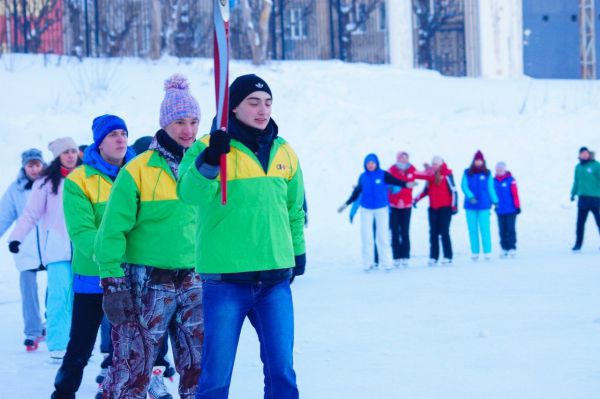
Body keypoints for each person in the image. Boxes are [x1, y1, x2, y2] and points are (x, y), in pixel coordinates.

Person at [177, 74, 305, 399]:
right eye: (253, 102)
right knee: (216, 377)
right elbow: (188, 193)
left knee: (282, 373)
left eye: (267, 102)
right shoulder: (209, 147)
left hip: (275, 279)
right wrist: (209, 161)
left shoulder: (284, 150)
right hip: (226, 281)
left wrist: (298, 251)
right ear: (233, 107)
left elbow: (294, 208)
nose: (263, 110)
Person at [95, 74, 203, 399]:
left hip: (194, 278)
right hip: (147, 281)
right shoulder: (138, 169)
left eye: (194, 121)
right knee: (134, 369)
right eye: (180, 121)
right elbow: (111, 231)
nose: (188, 130)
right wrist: (112, 280)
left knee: (200, 365)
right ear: (165, 124)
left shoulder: (204, 167)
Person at [51, 115, 136, 399]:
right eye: (113, 134)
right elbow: (82, 232)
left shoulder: (138, 173)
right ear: (99, 143)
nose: (121, 139)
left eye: (124, 133)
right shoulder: (79, 180)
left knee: (130, 343)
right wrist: (111, 258)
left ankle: (118, 390)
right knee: (81, 344)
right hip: (93, 275)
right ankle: (63, 392)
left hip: (134, 274)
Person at [9, 138, 80, 360]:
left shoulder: (87, 176)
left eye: (73, 151)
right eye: (65, 152)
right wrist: (16, 237)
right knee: (59, 296)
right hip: (57, 249)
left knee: (83, 299)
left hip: (84, 250)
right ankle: (58, 345)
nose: (70, 156)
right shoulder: (46, 183)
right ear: (58, 156)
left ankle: (79, 343)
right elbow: (30, 214)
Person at [0, 149, 46, 351]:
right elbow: (4, 215)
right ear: (24, 167)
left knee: (57, 289)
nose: (34, 169)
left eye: (37, 164)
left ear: (43, 165)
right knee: (28, 289)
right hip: (25, 247)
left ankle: (51, 324)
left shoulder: (52, 184)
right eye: (30, 165)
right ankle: (33, 332)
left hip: (51, 246)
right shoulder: (15, 190)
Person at [338, 153, 412, 271]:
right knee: (366, 237)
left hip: (381, 209)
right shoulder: (363, 177)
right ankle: (368, 263)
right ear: (365, 165)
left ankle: (386, 263)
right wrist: (346, 204)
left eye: (372, 163)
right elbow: (356, 192)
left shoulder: (383, 174)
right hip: (366, 210)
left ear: (376, 163)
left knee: (382, 236)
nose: (370, 165)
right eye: (368, 163)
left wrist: (406, 184)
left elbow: (395, 181)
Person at [414, 155, 458, 265]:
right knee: (433, 233)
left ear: (441, 164)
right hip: (433, 208)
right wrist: (415, 199)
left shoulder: (447, 175)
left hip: (445, 208)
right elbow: (425, 191)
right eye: (433, 164)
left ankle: (448, 256)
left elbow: (454, 191)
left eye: (436, 164)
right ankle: (434, 257)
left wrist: (454, 206)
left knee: (444, 232)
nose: (434, 166)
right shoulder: (430, 176)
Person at [461, 150, 498, 261]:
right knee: (472, 230)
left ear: (483, 161)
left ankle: (487, 252)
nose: (478, 162)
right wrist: (470, 196)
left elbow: (491, 188)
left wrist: (495, 201)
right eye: (476, 160)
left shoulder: (487, 173)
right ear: (474, 161)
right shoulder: (467, 172)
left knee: (485, 229)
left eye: (480, 160)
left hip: (484, 205)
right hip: (470, 205)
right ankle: (475, 252)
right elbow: (464, 186)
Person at [387, 151, 417, 267]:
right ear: (397, 158)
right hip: (394, 206)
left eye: (406, 158)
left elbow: (412, 184)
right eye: (401, 157)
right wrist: (396, 200)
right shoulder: (391, 170)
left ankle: (405, 256)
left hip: (406, 206)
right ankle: (396, 256)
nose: (404, 159)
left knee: (405, 231)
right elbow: (389, 187)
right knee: (395, 231)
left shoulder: (412, 169)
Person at [570, 146, 600, 252]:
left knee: (599, 221)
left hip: (595, 198)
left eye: (586, 153)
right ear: (579, 155)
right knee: (580, 223)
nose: (584, 155)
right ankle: (578, 244)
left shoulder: (596, 166)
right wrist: (573, 193)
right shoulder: (578, 167)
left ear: (589, 154)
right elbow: (576, 182)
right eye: (582, 153)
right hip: (582, 199)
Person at [493, 162, 521, 258]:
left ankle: (512, 247)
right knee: (502, 229)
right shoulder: (493, 181)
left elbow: (515, 194)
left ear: (504, 170)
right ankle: (504, 248)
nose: (499, 171)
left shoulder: (511, 180)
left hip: (511, 210)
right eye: (497, 170)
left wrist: (517, 206)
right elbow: (492, 195)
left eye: (501, 170)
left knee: (510, 229)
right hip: (500, 210)